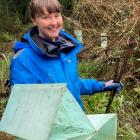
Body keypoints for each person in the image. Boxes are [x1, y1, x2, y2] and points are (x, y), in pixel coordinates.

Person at [10, 0, 123, 110]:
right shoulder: (24, 59)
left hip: (75, 121)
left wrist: (101, 86)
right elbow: (24, 107)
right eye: (46, 17)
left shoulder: (66, 50)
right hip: (51, 127)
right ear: (34, 20)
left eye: (57, 15)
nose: (54, 23)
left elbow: (71, 84)